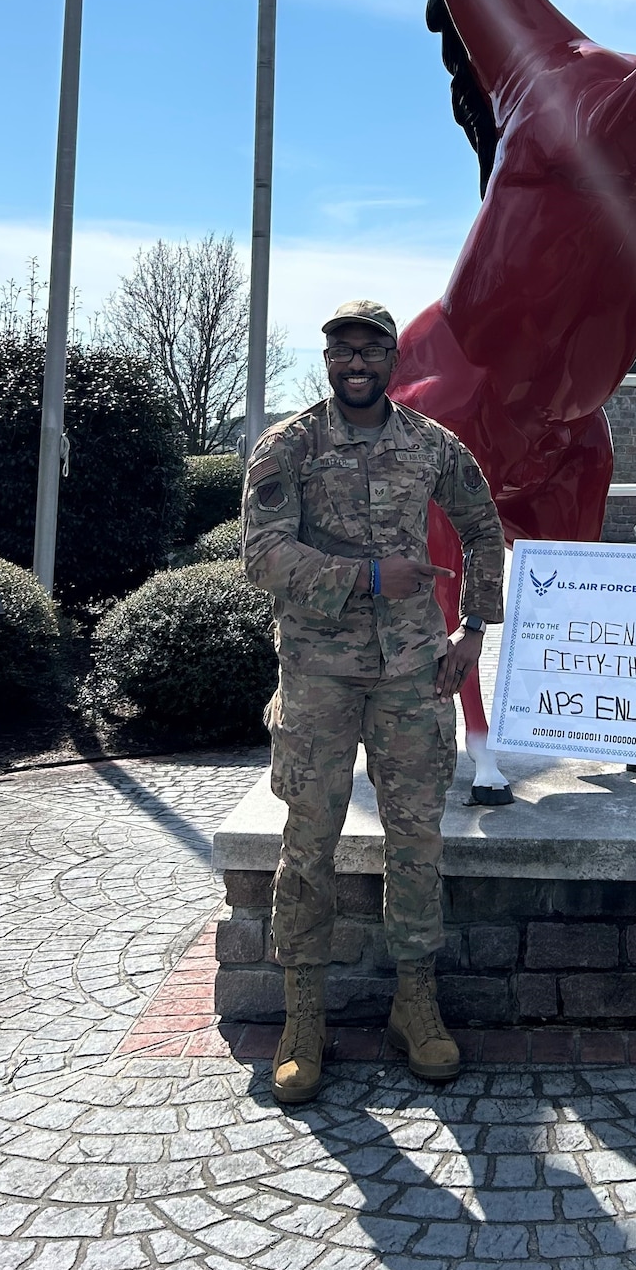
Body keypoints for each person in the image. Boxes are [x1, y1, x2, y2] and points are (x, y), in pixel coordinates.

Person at [242, 300, 505, 1104]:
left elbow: (483, 526)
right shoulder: (289, 446)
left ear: (393, 359)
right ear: (328, 360)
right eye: (342, 351)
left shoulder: (431, 445)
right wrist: (365, 577)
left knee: (416, 840)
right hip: (318, 673)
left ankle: (414, 1005)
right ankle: (303, 1018)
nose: (356, 363)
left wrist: (473, 630)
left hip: (413, 673)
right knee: (308, 842)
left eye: (370, 350)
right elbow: (260, 555)